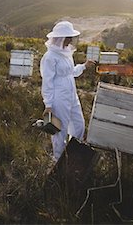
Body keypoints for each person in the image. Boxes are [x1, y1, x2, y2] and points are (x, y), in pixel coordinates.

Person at [40, 21, 95, 160]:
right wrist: (48, 104)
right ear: (60, 38)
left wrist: (84, 66)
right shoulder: (50, 57)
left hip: (71, 94)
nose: (71, 40)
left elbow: (71, 72)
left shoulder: (66, 53)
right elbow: (47, 81)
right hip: (58, 97)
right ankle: (58, 159)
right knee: (60, 129)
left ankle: (72, 153)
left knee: (79, 125)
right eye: (68, 37)